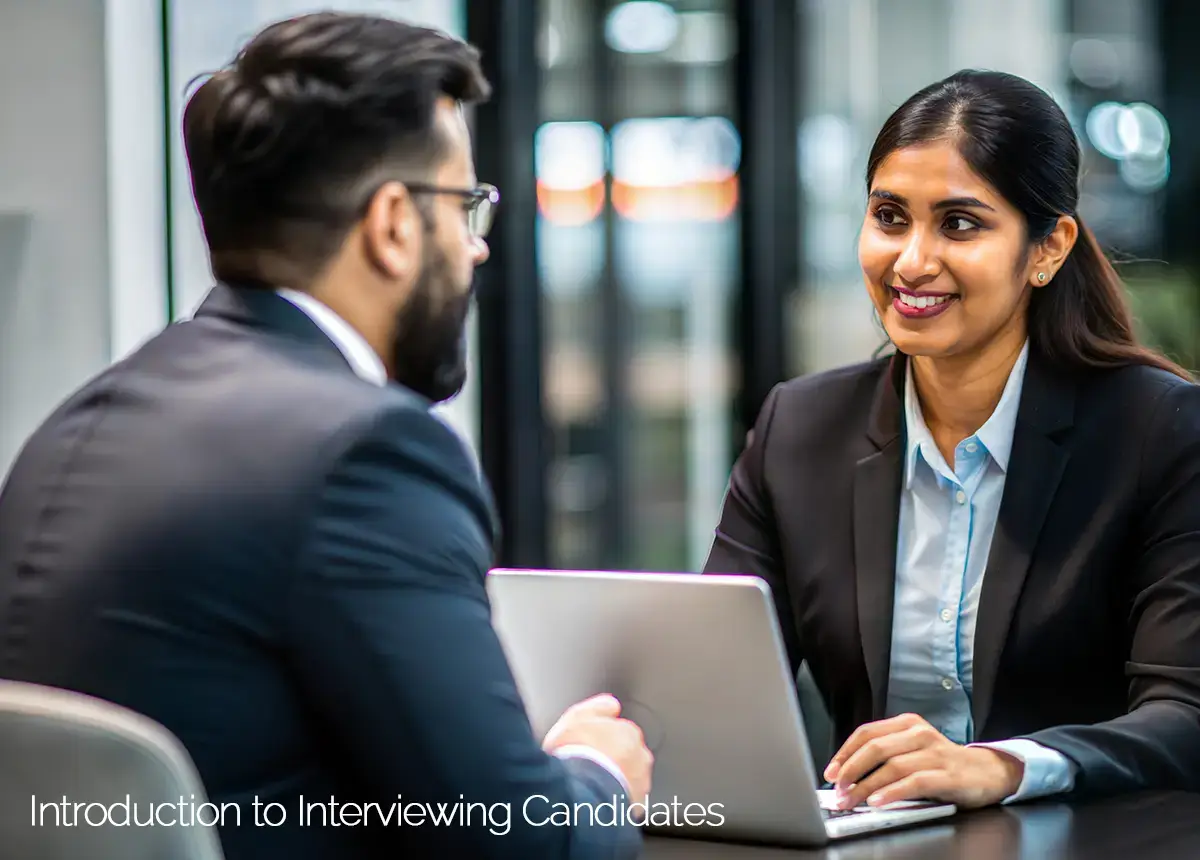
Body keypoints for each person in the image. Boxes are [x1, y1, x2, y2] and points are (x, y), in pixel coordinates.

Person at [0, 13, 650, 860]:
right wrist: (594, 775)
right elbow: (517, 845)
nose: (475, 249)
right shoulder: (368, 454)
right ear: (392, 225)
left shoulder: (78, 423)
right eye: (466, 208)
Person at [705, 69, 1200, 812]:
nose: (911, 261)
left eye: (960, 224)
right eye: (890, 216)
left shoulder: (1157, 430)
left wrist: (1005, 767)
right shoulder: (798, 430)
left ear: (1047, 249)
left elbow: (1185, 717)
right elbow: (711, 676)